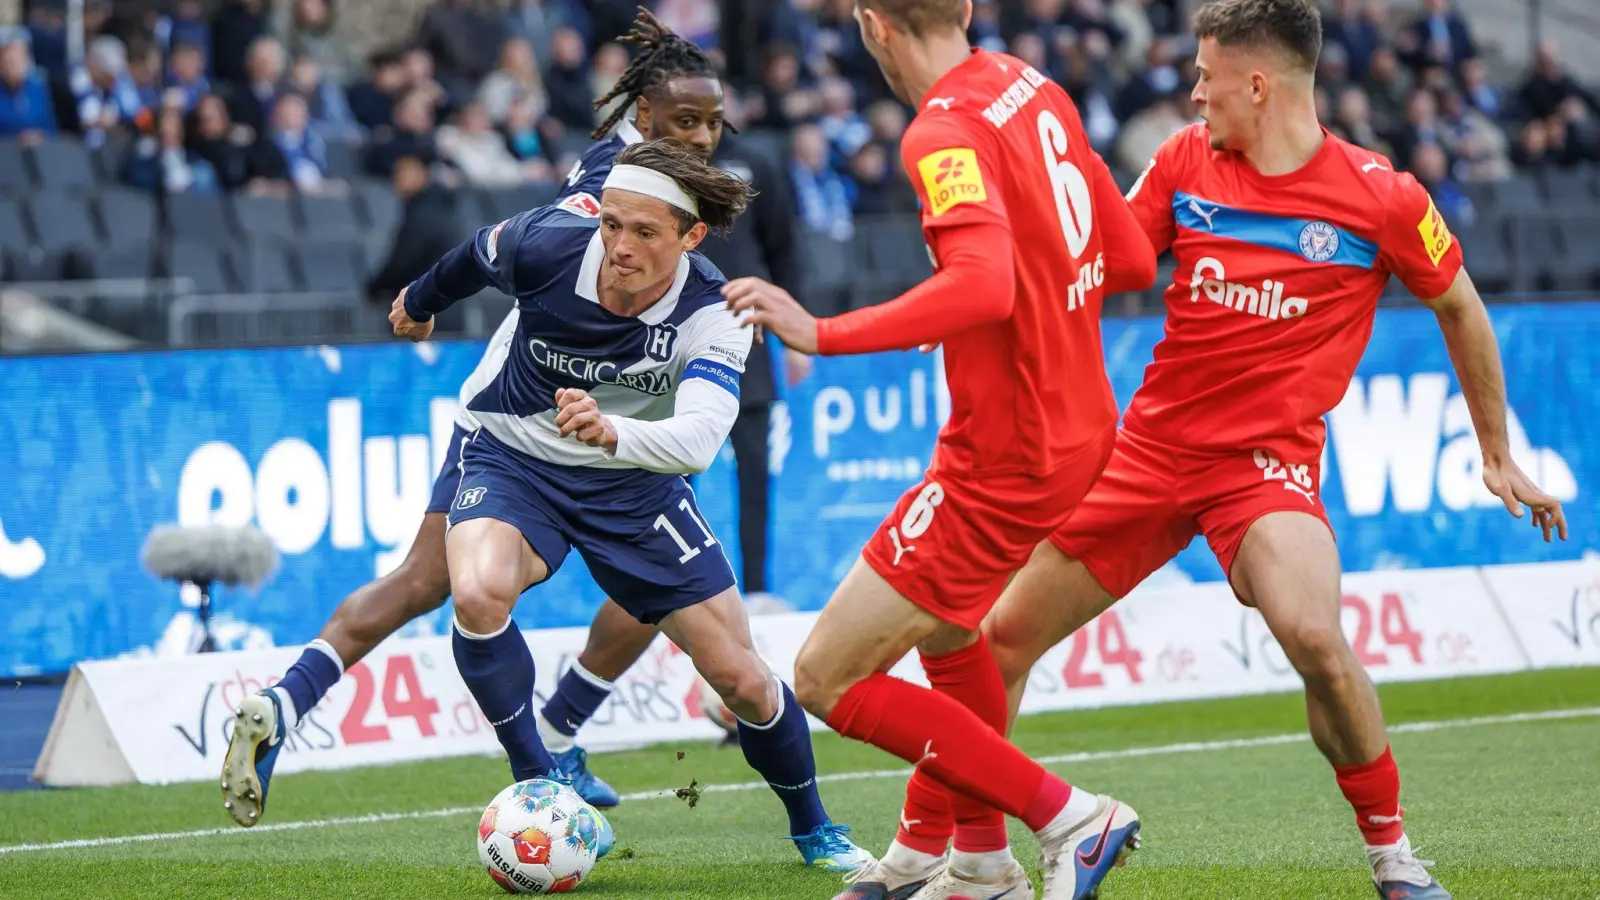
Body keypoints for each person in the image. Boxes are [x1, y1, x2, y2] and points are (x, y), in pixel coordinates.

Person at [888, 3, 1570, 900]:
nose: (1194, 92)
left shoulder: (1382, 195)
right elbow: (1107, 265)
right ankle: (953, 857)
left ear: (1260, 83)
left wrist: (1495, 451)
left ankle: (1394, 856)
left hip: (1265, 470)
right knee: (995, 638)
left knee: (1316, 638)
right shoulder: (1182, 163)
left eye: (1207, 76)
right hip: (1149, 454)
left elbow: (1463, 308)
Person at [219, 11, 873, 873]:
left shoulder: (716, 301)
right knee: (465, 590)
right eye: (685, 123)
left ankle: (801, 822)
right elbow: (476, 255)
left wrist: (613, 429)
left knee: (743, 677)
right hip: (517, 437)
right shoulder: (574, 220)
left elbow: (697, 440)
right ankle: (543, 773)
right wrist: (417, 302)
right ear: (637, 127)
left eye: (713, 124)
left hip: (631, 465)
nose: (702, 137)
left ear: (691, 235)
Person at [723, 1, 1159, 898]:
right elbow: (1127, 258)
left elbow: (985, 282)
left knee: (826, 675)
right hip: (1078, 428)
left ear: (872, 23)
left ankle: (1072, 817)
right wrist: (988, 309)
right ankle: (980, 865)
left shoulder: (942, 131)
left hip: (1008, 450)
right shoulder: (1034, 87)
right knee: (954, 639)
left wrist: (822, 331)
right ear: (962, 8)